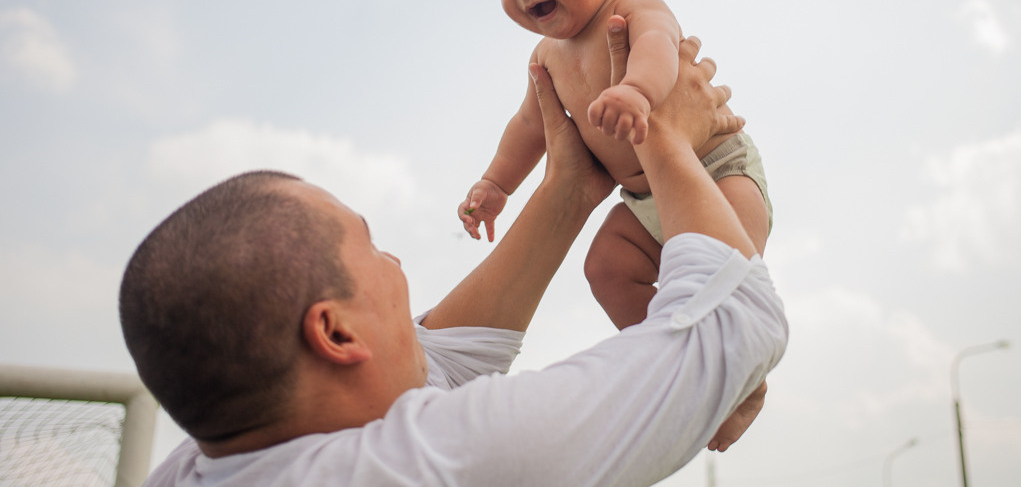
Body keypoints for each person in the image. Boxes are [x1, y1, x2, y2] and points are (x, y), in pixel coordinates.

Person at [119, 24, 788, 487]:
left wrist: (570, 189)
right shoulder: (438, 465)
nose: (399, 267)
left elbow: (434, 361)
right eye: (373, 249)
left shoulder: (202, 465)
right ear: (335, 331)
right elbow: (735, 323)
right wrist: (666, 138)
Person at [458, 0, 773, 450]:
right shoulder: (546, 58)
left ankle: (741, 369)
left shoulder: (631, 7)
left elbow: (659, 46)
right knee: (603, 269)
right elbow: (529, 125)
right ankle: (683, 378)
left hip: (715, 170)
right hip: (641, 196)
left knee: (725, 280)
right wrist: (496, 183)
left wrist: (635, 89)